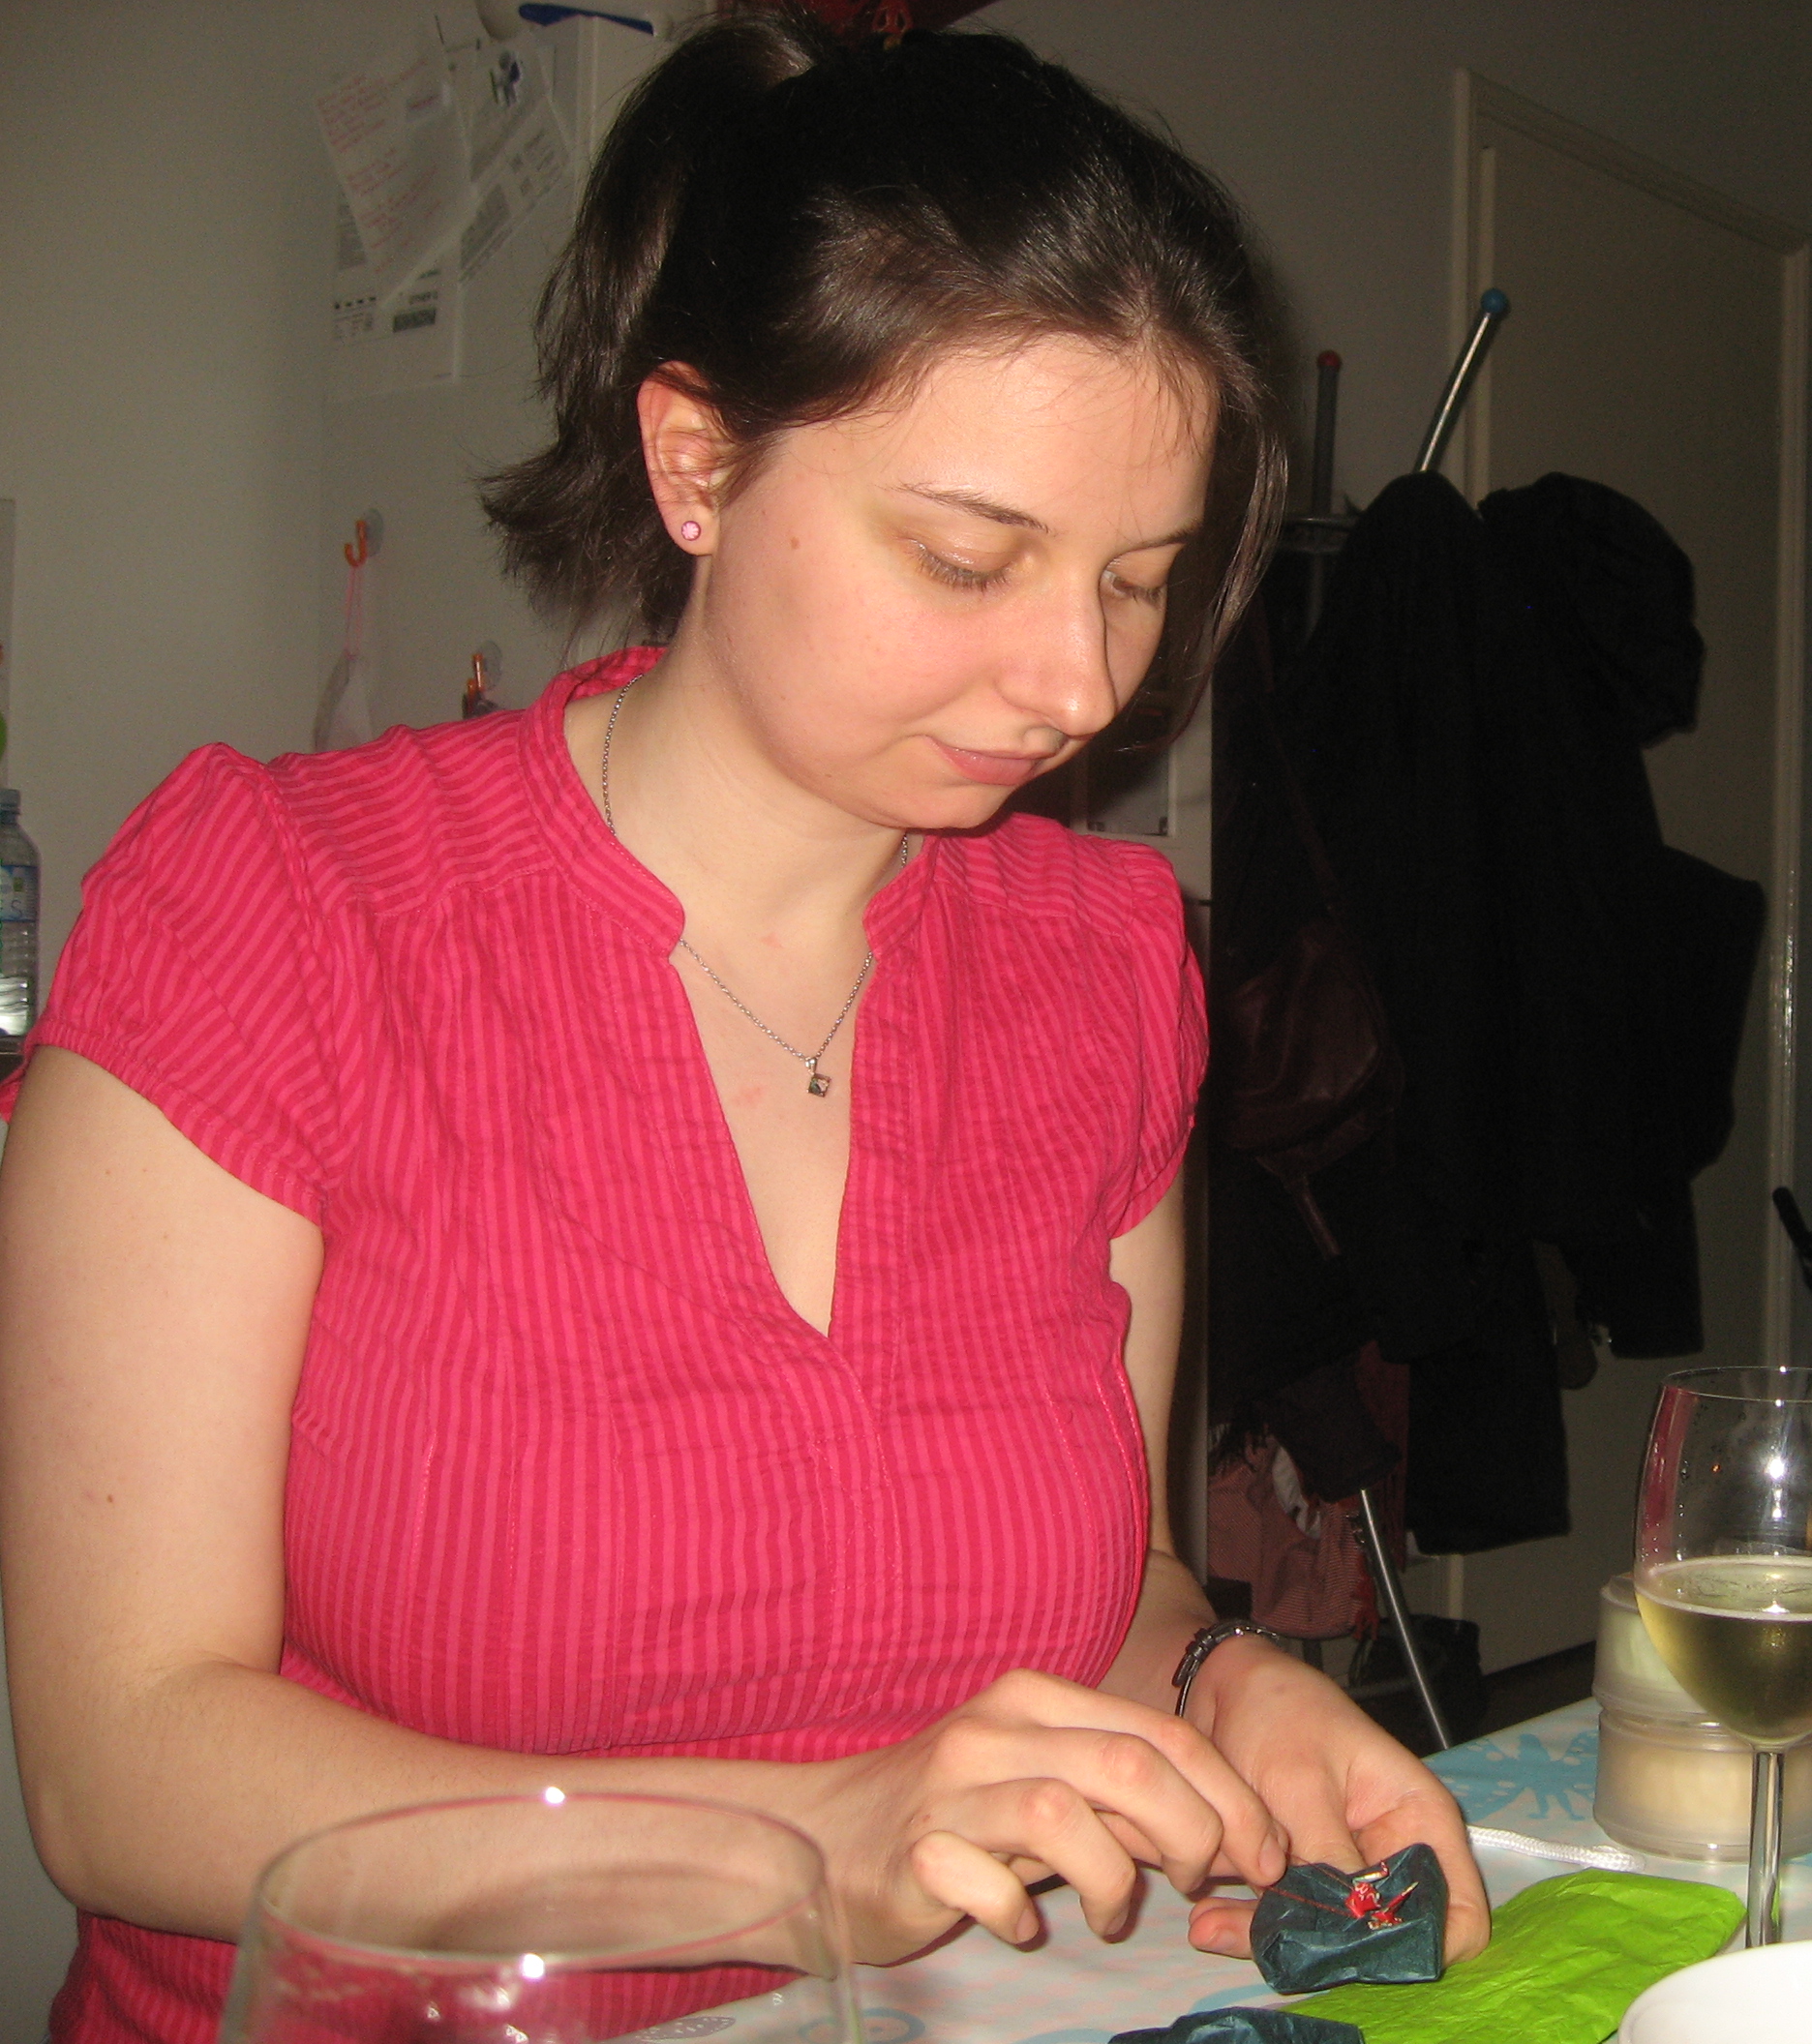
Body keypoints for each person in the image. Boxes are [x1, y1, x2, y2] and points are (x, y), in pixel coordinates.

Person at [0, 16, 1484, 2042]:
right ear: (695, 461)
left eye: (1139, 582)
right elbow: (121, 1770)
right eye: (969, 558)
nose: (1079, 686)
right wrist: (802, 1845)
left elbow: (1100, 1590)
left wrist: (1225, 1687)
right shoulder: (272, 917)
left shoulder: (1105, 964)